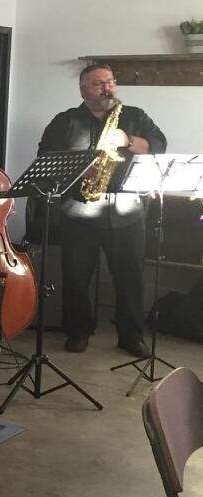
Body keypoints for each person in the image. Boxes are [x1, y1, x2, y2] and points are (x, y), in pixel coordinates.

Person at [37, 64, 167, 358]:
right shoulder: (65, 120)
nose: (107, 88)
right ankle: (78, 332)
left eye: (110, 82)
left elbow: (159, 144)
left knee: (130, 276)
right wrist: (79, 168)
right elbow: (45, 155)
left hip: (127, 209)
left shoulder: (134, 116)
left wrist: (128, 140)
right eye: (98, 84)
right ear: (83, 90)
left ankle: (131, 337)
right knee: (76, 275)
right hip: (79, 209)